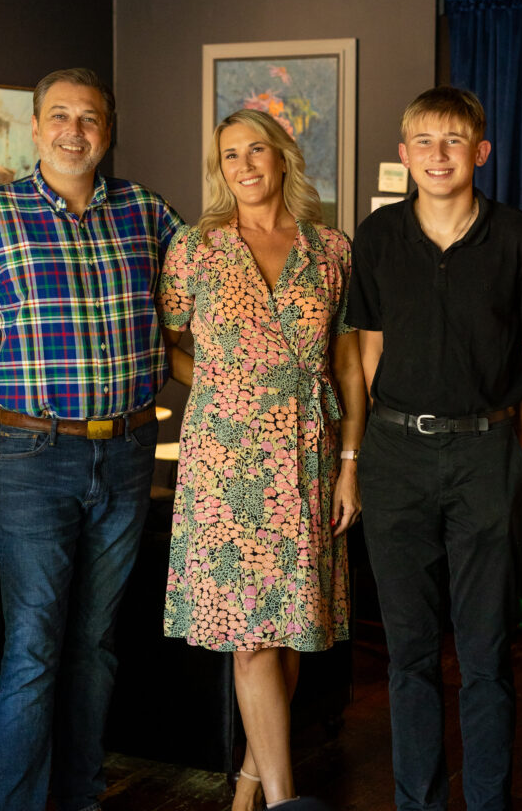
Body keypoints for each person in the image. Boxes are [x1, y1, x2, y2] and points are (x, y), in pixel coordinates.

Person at [0, 67, 182, 811]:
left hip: (129, 452)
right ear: (34, 128)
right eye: (59, 116)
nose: (73, 131)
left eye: (88, 118)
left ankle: (80, 799)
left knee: (95, 644)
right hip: (34, 458)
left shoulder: (149, 214)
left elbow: (204, 303)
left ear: (108, 130)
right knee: (33, 646)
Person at [346, 86, 522, 811]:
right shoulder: (377, 236)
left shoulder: (517, 237)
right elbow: (366, 356)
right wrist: (364, 453)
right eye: (424, 141)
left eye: (453, 141)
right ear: (404, 153)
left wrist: (505, 450)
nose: (438, 155)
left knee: (484, 654)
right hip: (395, 458)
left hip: (486, 457)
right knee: (408, 655)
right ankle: (419, 803)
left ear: (480, 152)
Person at [156, 108, 366, 811]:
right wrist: (227, 387)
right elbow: (165, 343)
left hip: (308, 453)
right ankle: (283, 801)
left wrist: (350, 463)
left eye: (255, 151)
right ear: (220, 170)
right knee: (249, 638)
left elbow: (347, 364)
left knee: (291, 632)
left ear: (282, 158)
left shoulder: (331, 250)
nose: (244, 166)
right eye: (230, 156)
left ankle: (249, 779)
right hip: (226, 462)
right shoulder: (197, 248)